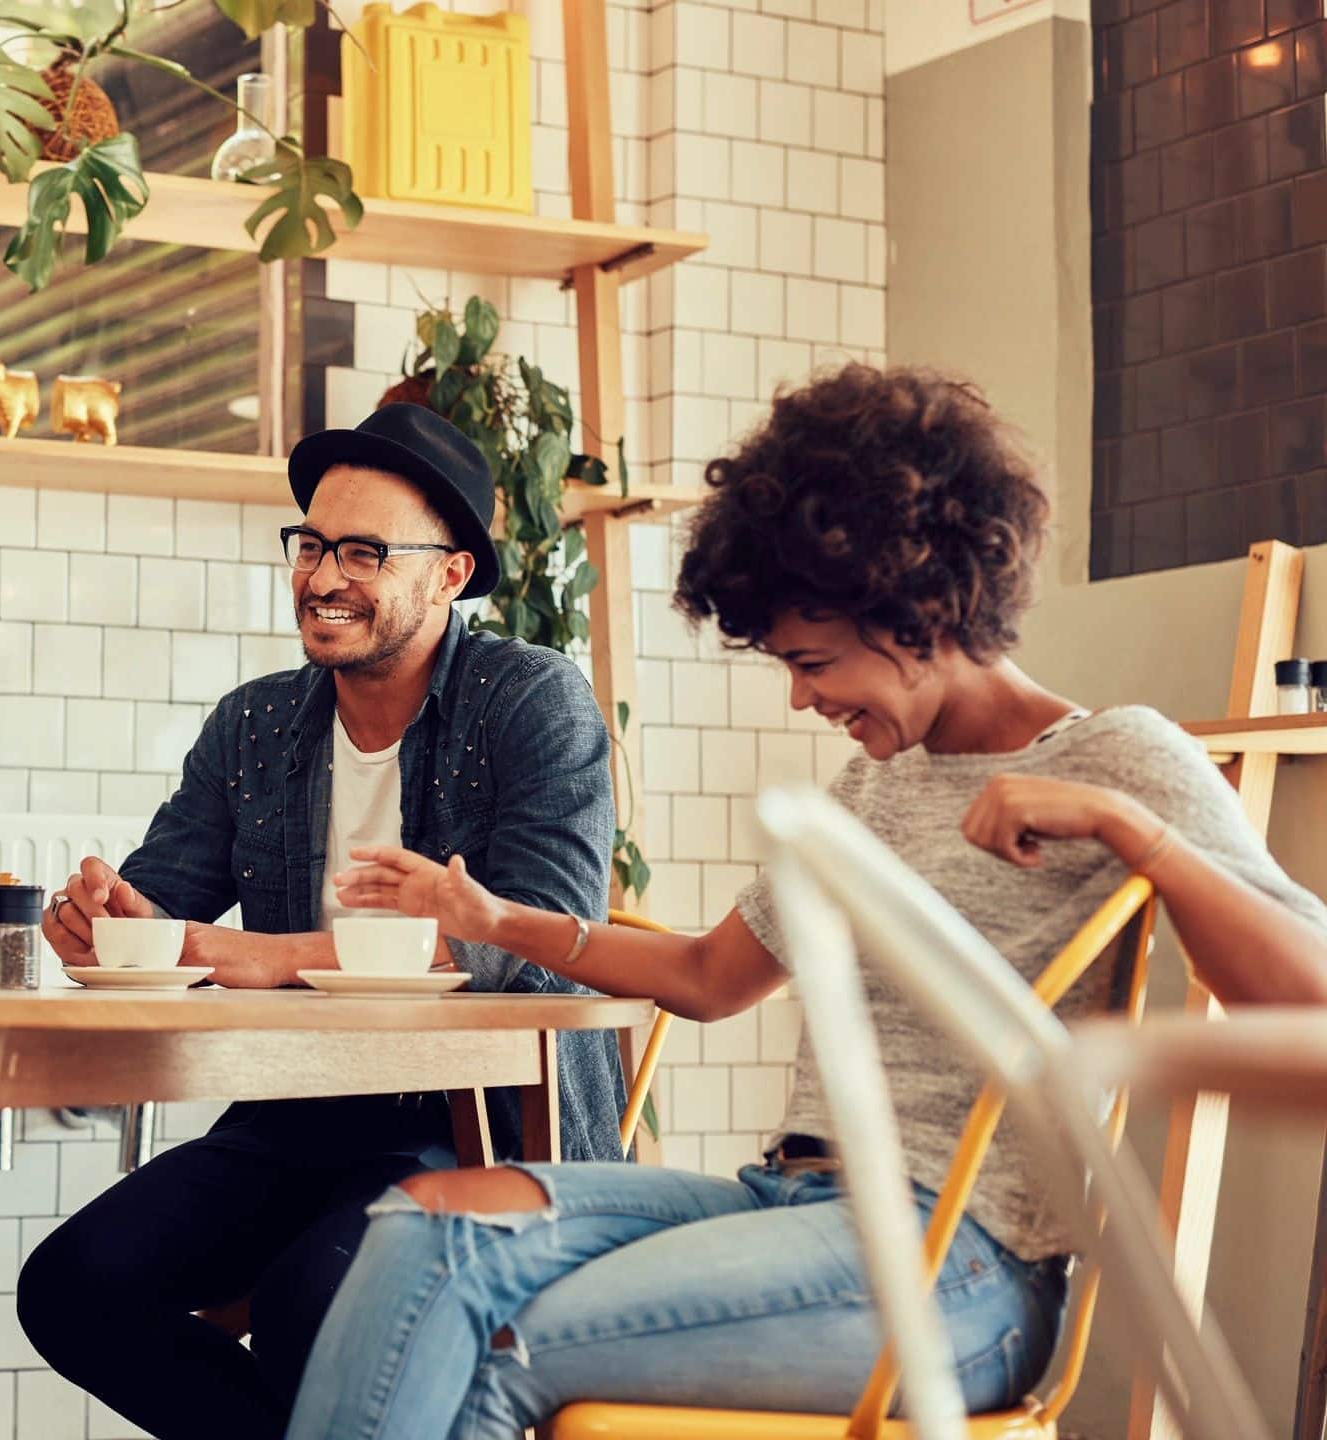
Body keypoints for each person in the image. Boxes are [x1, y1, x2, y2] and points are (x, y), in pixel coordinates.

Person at [282, 364, 1327, 1440]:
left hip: (960, 1268)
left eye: (814, 662)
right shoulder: (879, 779)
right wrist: (496, 921)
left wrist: (1133, 833)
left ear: (922, 615)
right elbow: (706, 978)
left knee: (510, 1337)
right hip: (791, 1201)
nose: (802, 696)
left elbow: (1307, 996)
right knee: (421, 1234)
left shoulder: (1118, 756)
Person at [17, 402, 625, 1440]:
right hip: (294, 1111)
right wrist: (107, 921)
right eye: (311, 544)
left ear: (451, 575)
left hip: (477, 1123)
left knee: (317, 1300)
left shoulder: (532, 702)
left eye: (365, 551)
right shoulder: (256, 722)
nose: (323, 575)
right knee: (73, 1286)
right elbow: (166, 896)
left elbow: (532, 933)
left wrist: (265, 958)